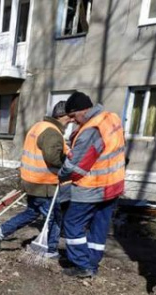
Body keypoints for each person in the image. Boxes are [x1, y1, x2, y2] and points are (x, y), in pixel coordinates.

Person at [58, 91, 126, 278]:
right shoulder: (111, 118)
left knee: (72, 223)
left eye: (73, 116)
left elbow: (77, 166)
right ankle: (92, 263)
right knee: (99, 225)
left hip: (92, 186)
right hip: (113, 184)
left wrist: (61, 175)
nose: (72, 120)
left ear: (83, 110)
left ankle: (81, 264)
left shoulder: (91, 129)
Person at [0, 101, 71, 257]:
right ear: (61, 116)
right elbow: (53, 158)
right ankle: (51, 250)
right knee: (54, 217)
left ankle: (0, 231)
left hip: (31, 181)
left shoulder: (38, 126)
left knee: (32, 212)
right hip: (44, 183)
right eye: (69, 117)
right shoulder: (52, 132)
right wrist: (67, 160)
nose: (71, 121)